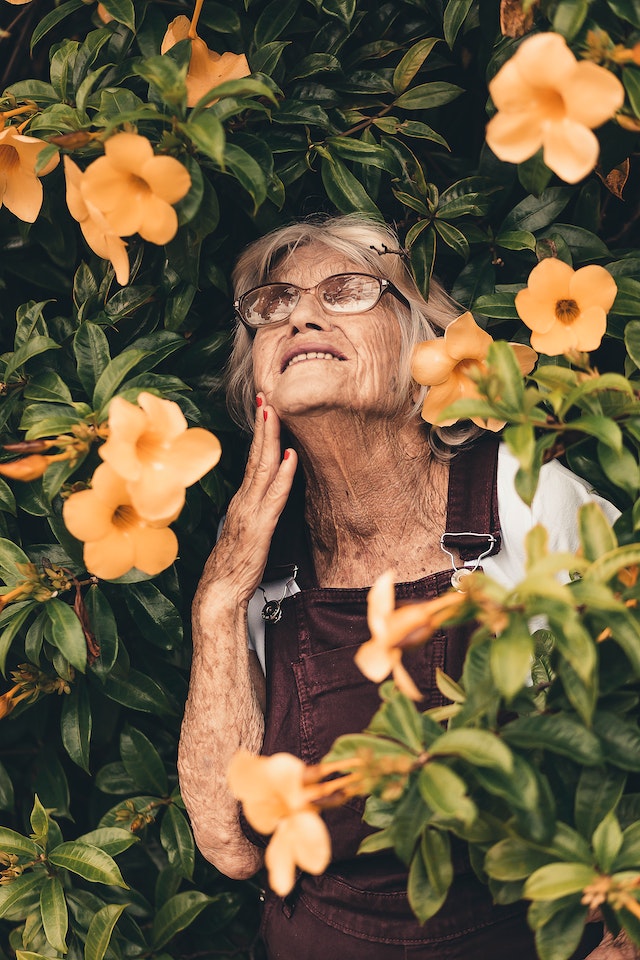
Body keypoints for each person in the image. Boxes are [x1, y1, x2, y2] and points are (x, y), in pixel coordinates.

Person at [178, 216, 623, 959]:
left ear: (425, 347)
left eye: (347, 291)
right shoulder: (263, 570)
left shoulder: (526, 502)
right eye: (273, 304)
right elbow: (230, 842)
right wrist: (219, 599)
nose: (301, 314)